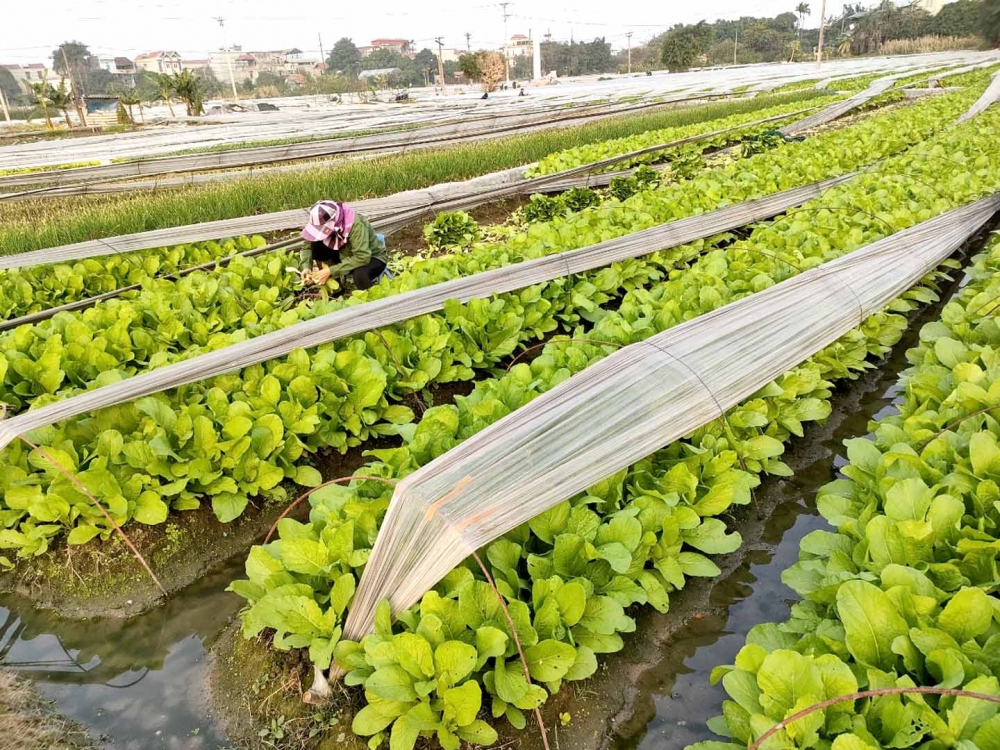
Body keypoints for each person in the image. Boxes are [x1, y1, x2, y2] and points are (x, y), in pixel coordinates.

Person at [300, 200, 390, 290]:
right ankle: (336, 285)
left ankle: (372, 300)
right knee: (316, 245)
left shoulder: (355, 225)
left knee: (360, 276)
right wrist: (306, 267)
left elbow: (363, 257)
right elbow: (307, 245)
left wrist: (330, 270)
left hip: (371, 256)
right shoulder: (321, 220)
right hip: (343, 253)